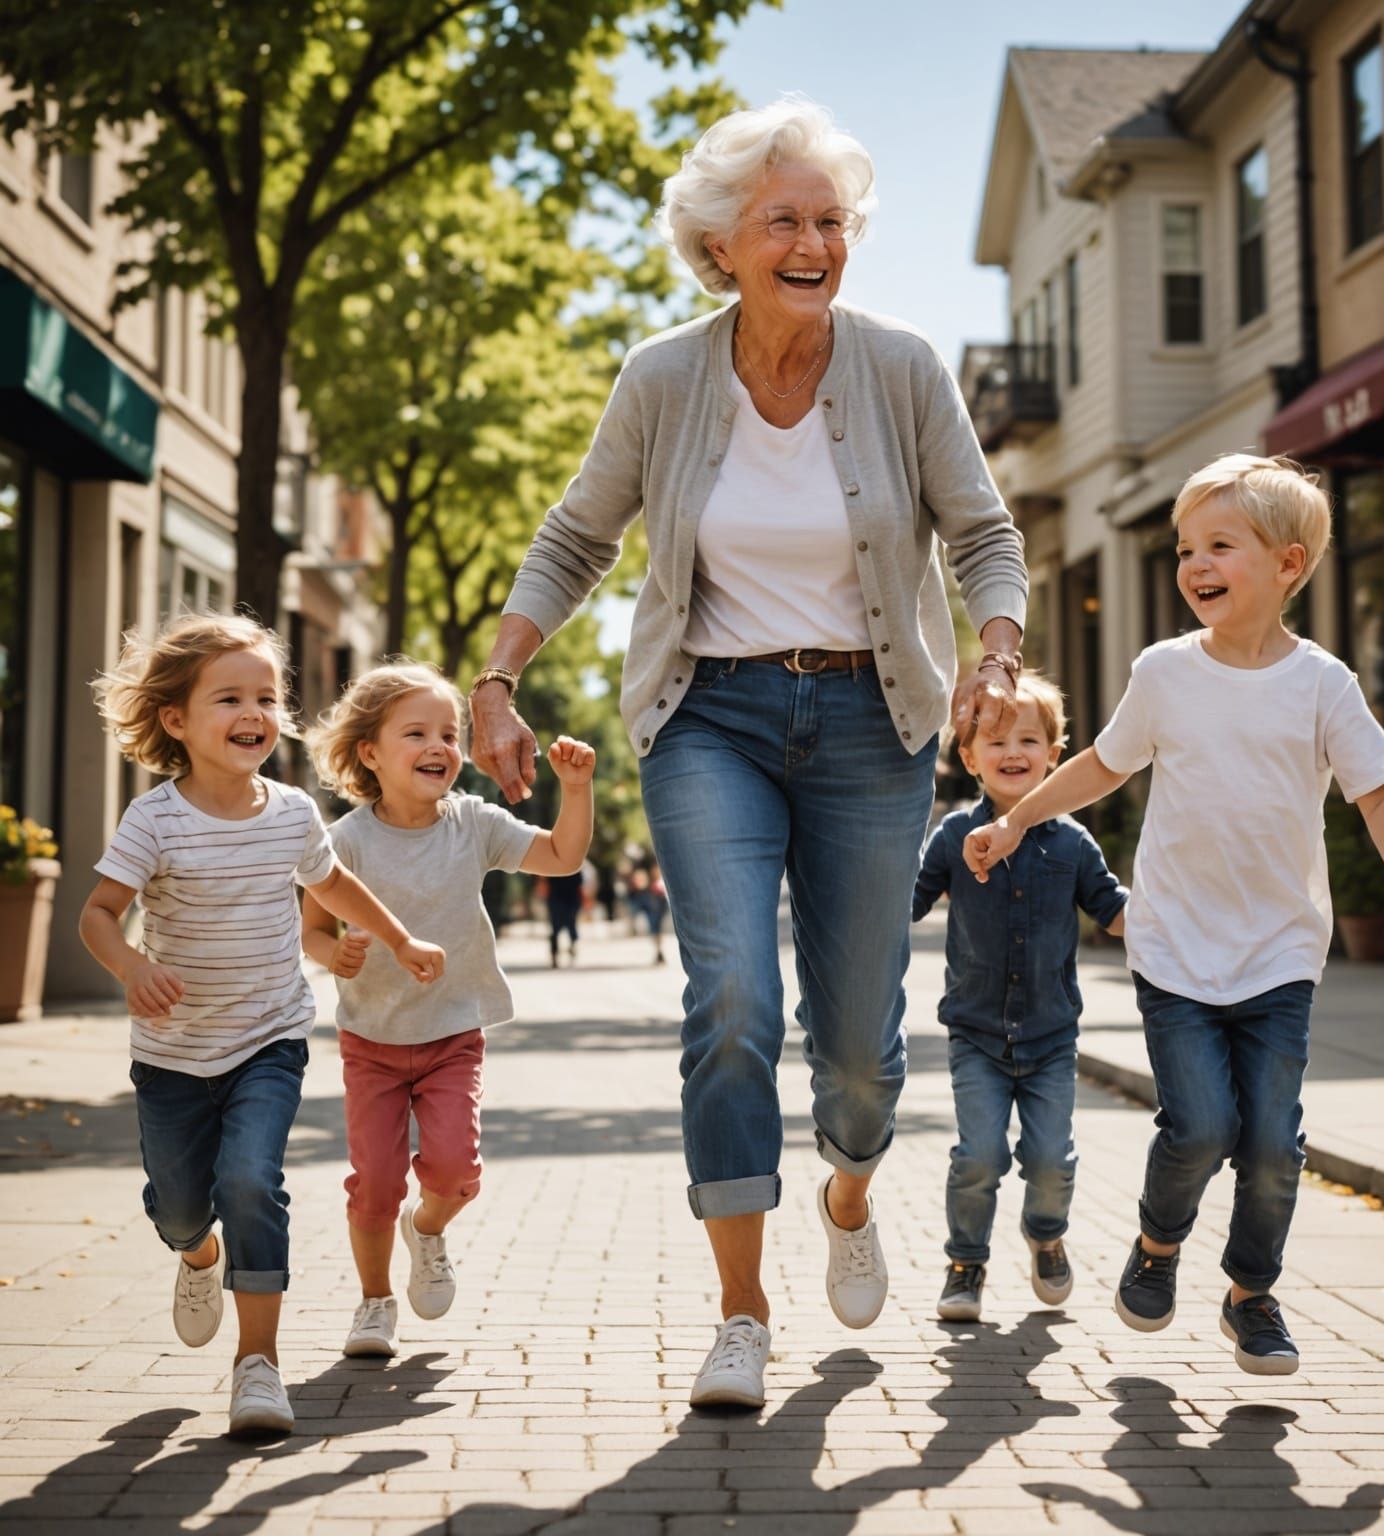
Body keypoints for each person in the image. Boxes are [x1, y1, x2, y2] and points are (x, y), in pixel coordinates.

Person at [469, 97, 1028, 1409]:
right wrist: (498, 677)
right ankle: (740, 1311)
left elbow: (985, 534)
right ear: (722, 243)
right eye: (783, 218)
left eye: (831, 220)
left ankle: (846, 1185)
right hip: (706, 715)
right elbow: (574, 538)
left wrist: (993, 653)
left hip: (869, 723)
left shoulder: (899, 368)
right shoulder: (666, 378)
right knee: (729, 999)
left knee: (861, 1051)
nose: (813, 241)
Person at [965, 453, 1384, 1375]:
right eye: (1186, 547)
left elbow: (1381, 795)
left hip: (1277, 955)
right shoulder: (1164, 673)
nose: (1195, 564)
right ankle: (1157, 1248)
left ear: (1289, 565)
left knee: (1271, 1143)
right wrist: (1017, 821)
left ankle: (1251, 1293)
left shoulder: (1323, 684)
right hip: (1176, 948)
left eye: (1220, 545)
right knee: (1199, 1126)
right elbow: (1103, 765)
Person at [79, 615, 446, 1437]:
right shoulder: (155, 821)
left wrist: (397, 938)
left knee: (251, 1180)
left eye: (266, 697)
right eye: (230, 698)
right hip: (172, 1055)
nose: (255, 712)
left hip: (268, 1042)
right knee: (180, 1206)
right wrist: (132, 968)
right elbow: (98, 914)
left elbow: (337, 885)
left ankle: (258, 1366)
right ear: (176, 720)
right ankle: (197, 1256)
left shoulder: (289, 813)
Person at [302, 662, 594, 1359]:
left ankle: (427, 1229)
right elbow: (312, 926)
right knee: (373, 1182)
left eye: (450, 733)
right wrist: (331, 954)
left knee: (457, 1171)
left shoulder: (472, 823)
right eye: (418, 733)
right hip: (371, 1037)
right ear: (370, 752)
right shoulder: (344, 842)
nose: (440, 746)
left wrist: (576, 790)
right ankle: (374, 1304)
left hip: (452, 1032)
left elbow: (561, 855)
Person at [913, 672, 1127, 1324]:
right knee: (979, 1155)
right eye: (996, 738)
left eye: (1030, 739)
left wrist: (1175, 919)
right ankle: (966, 1262)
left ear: (1055, 755)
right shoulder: (953, 837)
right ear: (969, 756)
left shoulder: (1072, 843)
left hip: (1051, 1036)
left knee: (1049, 1159)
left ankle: (1046, 1233)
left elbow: (1114, 912)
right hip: (975, 1032)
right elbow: (907, 902)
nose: (1014, 751)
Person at [545, 870, 585, 967]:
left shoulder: (553, 865)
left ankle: (569, 951)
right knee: (560, 928)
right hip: (562, 900)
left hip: (563, 900)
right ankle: (557, 954)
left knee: (567, 927)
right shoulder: (574, 865)